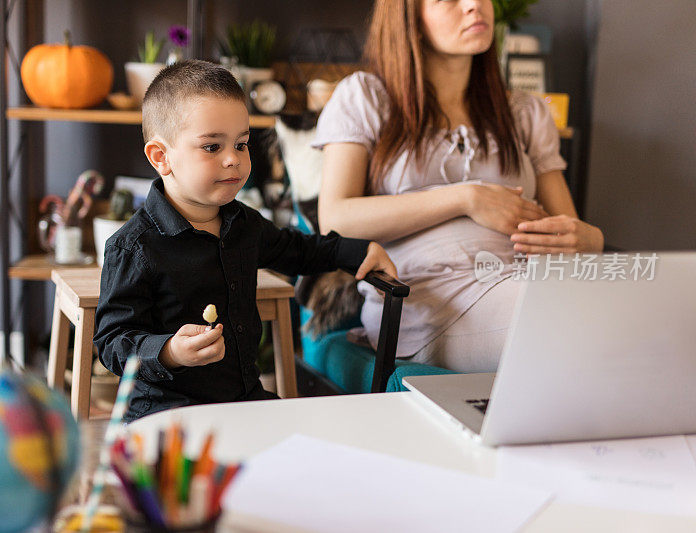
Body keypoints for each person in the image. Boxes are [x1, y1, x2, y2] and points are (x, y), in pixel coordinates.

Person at [93, 60, 396, 421]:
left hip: (243, 400)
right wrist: (169, 350)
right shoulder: (134, 247)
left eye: (241, 144)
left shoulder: (243, 223)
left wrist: (357, 249)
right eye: (211, 148)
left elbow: (297, 250)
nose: (232, 160)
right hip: (166, 411)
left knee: (311, 444)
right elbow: (112, 343)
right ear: (162, 157)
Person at [312, 0, 604, 373]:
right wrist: (466, 197)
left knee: (644, 316)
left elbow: (571, 231)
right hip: (427, 300)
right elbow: (335, 220)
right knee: (568, 325)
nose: (473, 5)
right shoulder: (366, 97)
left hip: (528, 280)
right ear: (409, 17)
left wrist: (591, 239)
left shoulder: (525, 113)